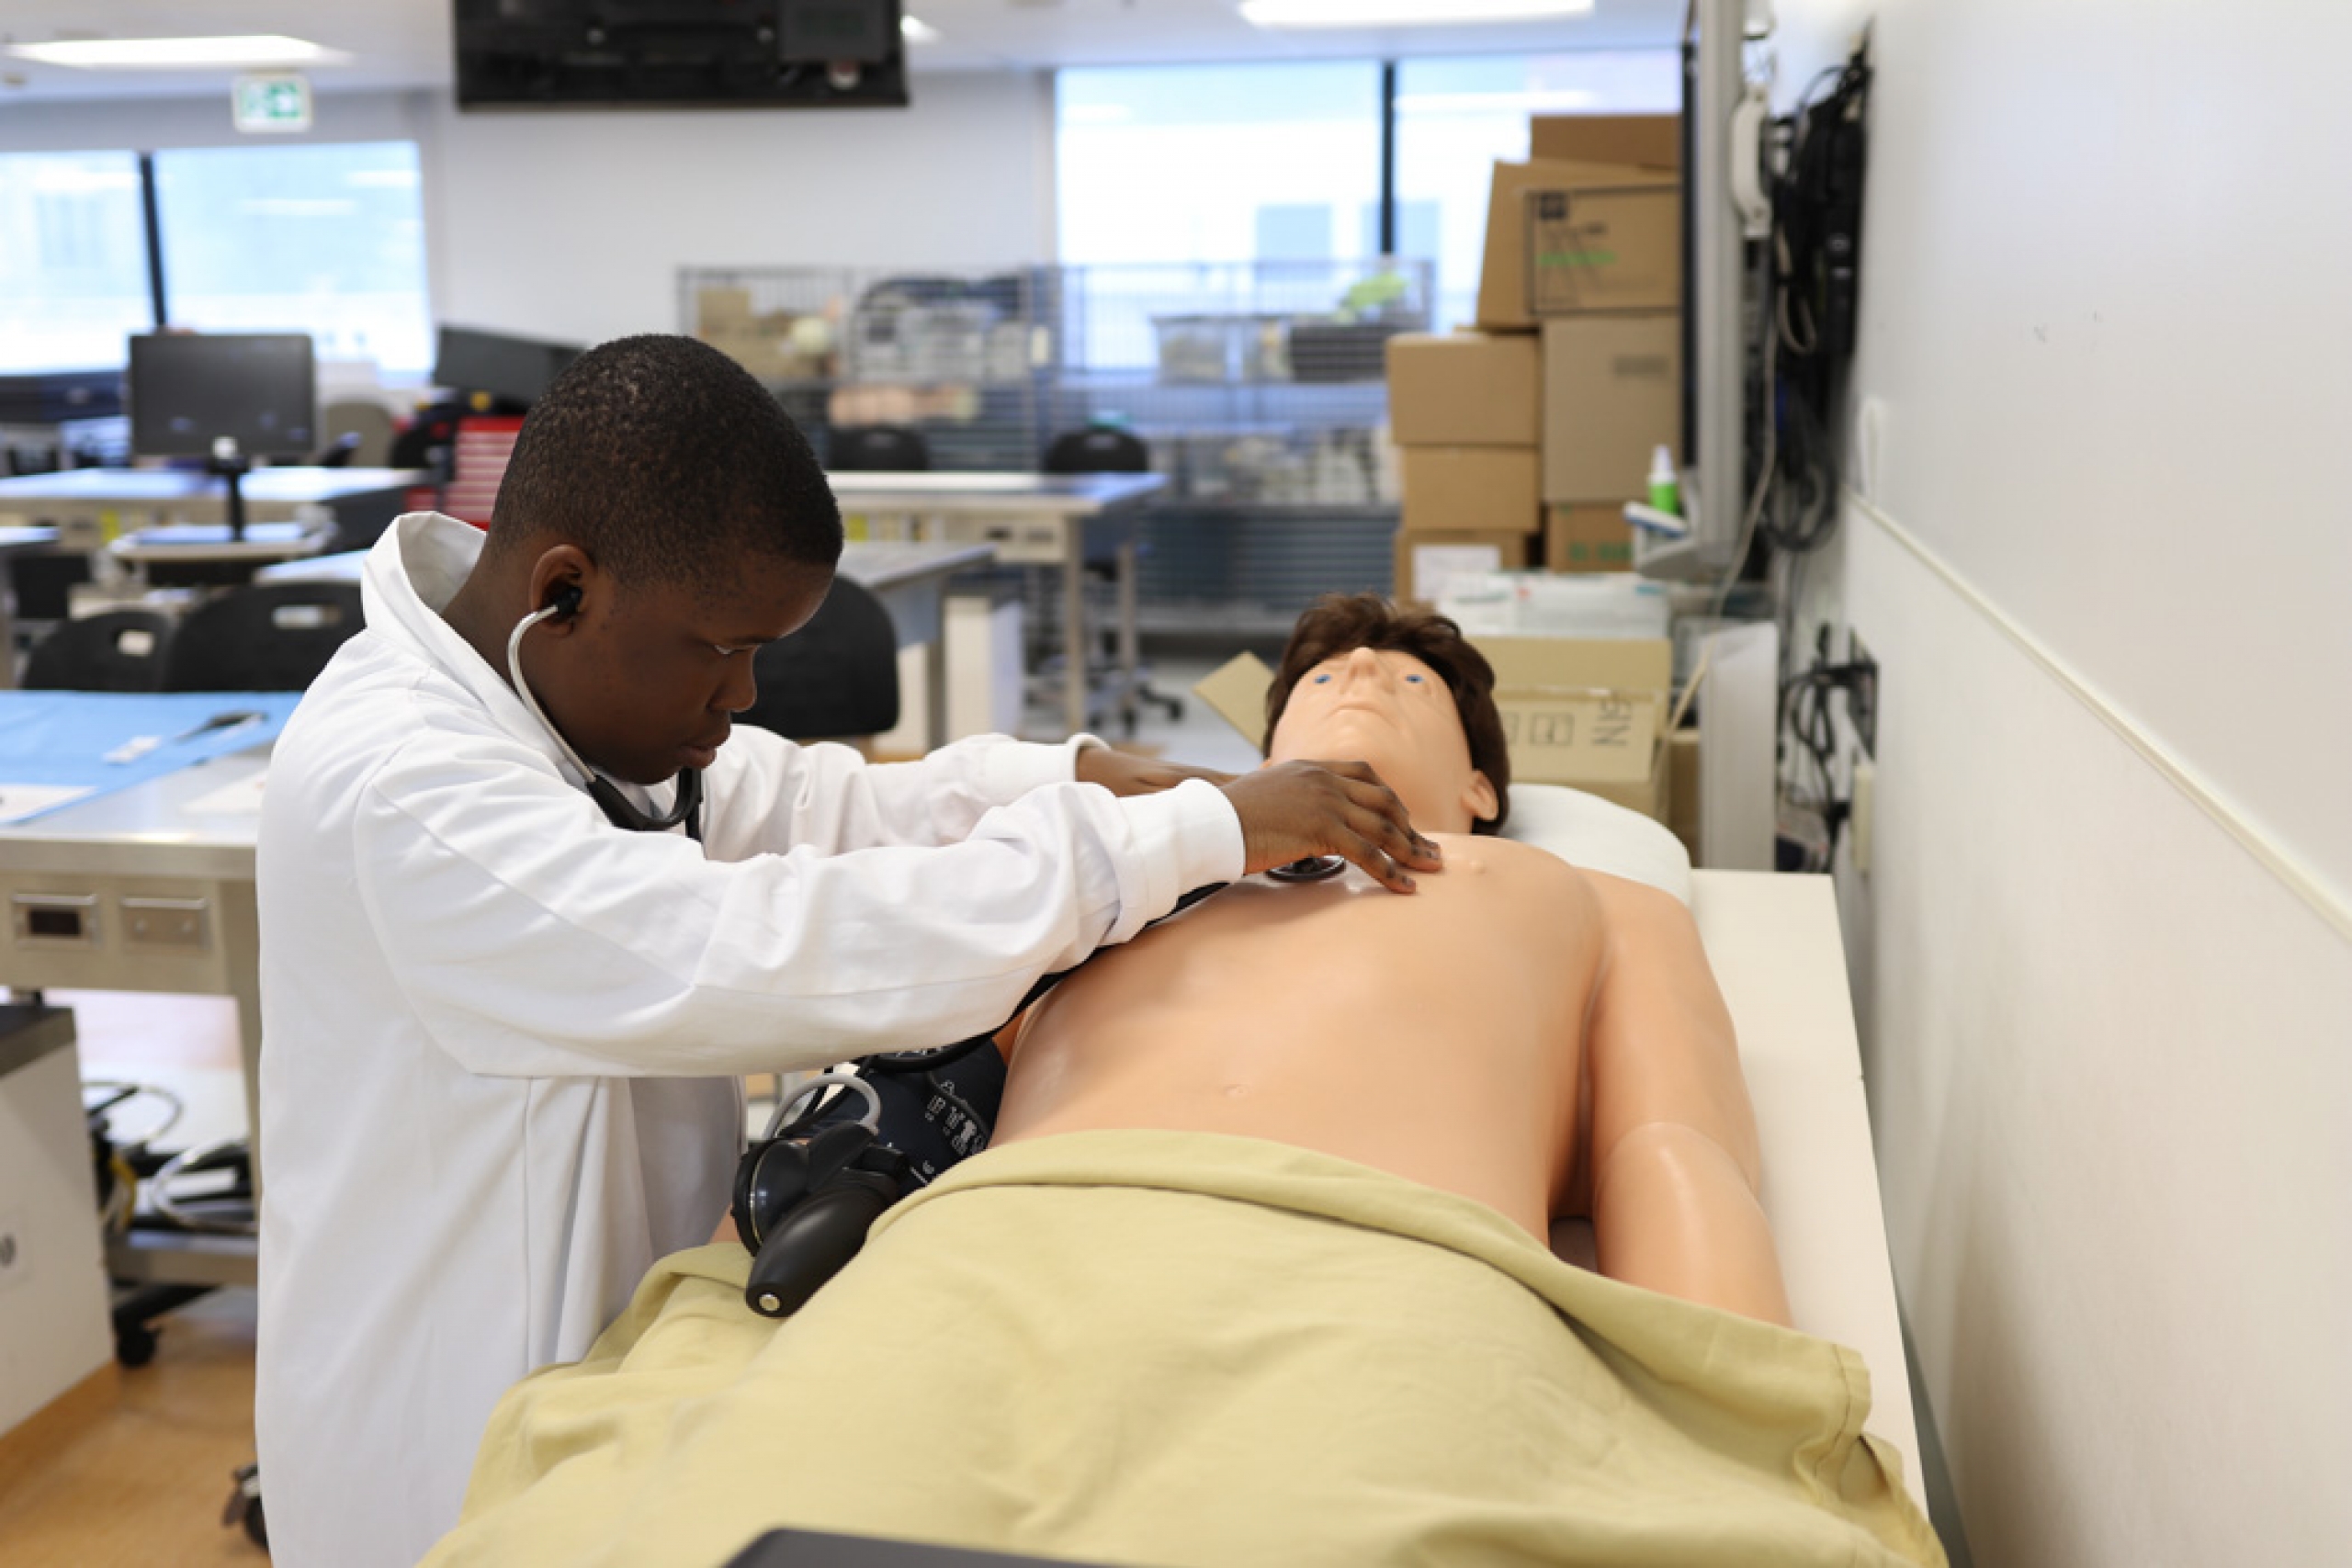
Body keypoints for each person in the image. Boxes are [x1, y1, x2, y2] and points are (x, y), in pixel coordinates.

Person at [421, 594, 1943, 1568]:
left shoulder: (1580, 898)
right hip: (998, 1257)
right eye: (1323, 678)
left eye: (1400, 683)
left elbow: (1678, 1149)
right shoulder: (1121, 876)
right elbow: (916, 1088)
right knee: (748, 1514)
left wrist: (1753, 1418)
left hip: (1386, 1274)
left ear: (1479, 785)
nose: (1354, 679)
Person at [251, 339, 1440, 1568]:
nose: (748, 694)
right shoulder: (409, 787)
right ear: (567, 588)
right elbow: (755, 953)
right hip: (441, 1438)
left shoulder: (555, 697)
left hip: (628, 1368)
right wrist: (1183, 837)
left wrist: (1079, 775)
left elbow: (821, 806)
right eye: (724, 648)